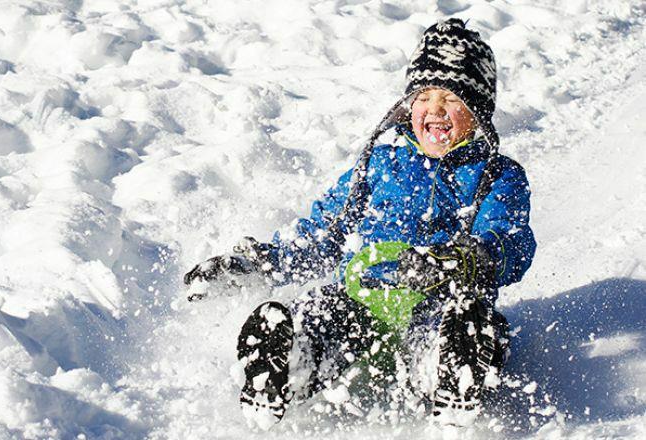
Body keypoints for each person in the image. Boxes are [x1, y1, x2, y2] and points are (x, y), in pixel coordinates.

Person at [184, 18, 536, 429]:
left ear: (477, 113)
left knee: (468, 320)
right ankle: (285, 362)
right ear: (409, 106)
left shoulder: (497, 175)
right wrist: (257, 262)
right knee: (319, 312)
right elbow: (322, 234)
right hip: (360, 296)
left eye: (452, 99)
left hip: (436, 300)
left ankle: (450, 368)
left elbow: (512, 239)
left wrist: (471, 257)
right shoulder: (379, 166)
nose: (435, 110)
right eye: (424, 97)